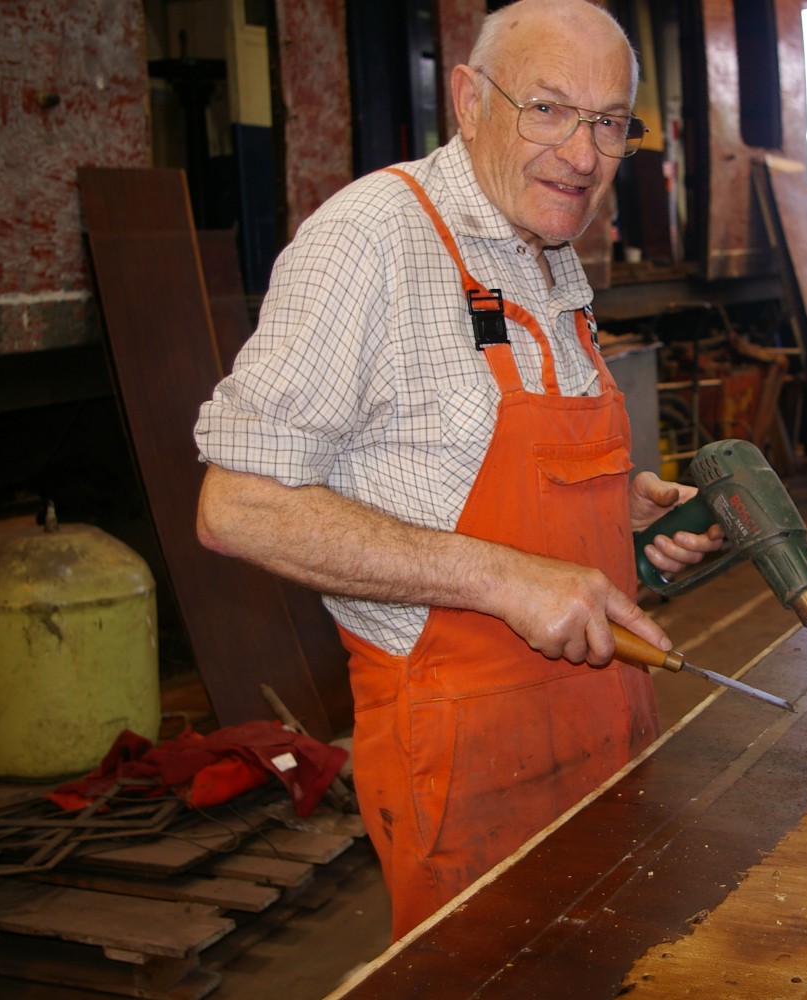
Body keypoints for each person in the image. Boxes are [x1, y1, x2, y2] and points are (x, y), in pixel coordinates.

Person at [193, 0, 721, 939]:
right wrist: (507, 577)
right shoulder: (371, 239)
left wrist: (615, 512)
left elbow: (453, 466)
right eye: (548, 110)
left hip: (606, 732)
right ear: (471, 101)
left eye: (608, 124)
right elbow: (237, 506)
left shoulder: (548, 249)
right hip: (468, 758)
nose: (582, 156)